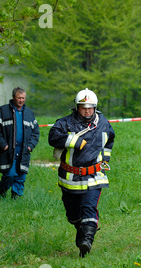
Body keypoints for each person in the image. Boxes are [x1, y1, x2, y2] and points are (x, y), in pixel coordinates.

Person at [48, 88, 115, 257]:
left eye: (90, 107)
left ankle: (86, 242)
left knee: (89, 209)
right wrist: (73, 141)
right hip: (70, 177)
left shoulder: (103, 123)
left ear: (95, 107)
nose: (87, 110)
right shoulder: (65, 123)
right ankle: (80, 228)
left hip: (94, 176)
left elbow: (110, 140)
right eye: (83, 107)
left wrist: (105, 159)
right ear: (77, 107)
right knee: (73, 215)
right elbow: (52, 137)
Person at [0, 87, 40, 199]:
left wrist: (30, 146)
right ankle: (2, 192)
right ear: (13, 98)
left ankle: (16, 198)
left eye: (23, 98)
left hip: (23, 151)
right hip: (8, 151)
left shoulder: (29, 114)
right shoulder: (2, 111)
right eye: (19, 98)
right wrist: (4, 145)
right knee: (9, 174)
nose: (21, 100)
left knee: (21, 175)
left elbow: (35, 132)